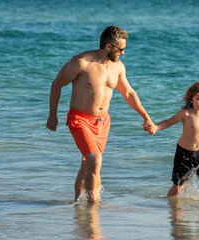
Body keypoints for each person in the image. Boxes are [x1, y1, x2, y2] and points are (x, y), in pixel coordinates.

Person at [46, 26, 154, 203]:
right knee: (95, 160)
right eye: (120, 49)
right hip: (79, 119)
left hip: (103, 122)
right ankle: (92, 206)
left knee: (88, 164)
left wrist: (146, 117)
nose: (123, 53)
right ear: (108, 46)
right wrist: (52, 115)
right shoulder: (81, 62)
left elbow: (128, 93)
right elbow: (57, 84)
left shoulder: (118, 66)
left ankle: (77, 204)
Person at [148, 82, 199, 200]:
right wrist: (156, 127)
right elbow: (168, 122)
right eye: (198, 99)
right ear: (191, 99)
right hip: (183, 153)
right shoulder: (185, 113)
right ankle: (171, 206)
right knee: (178, 187)